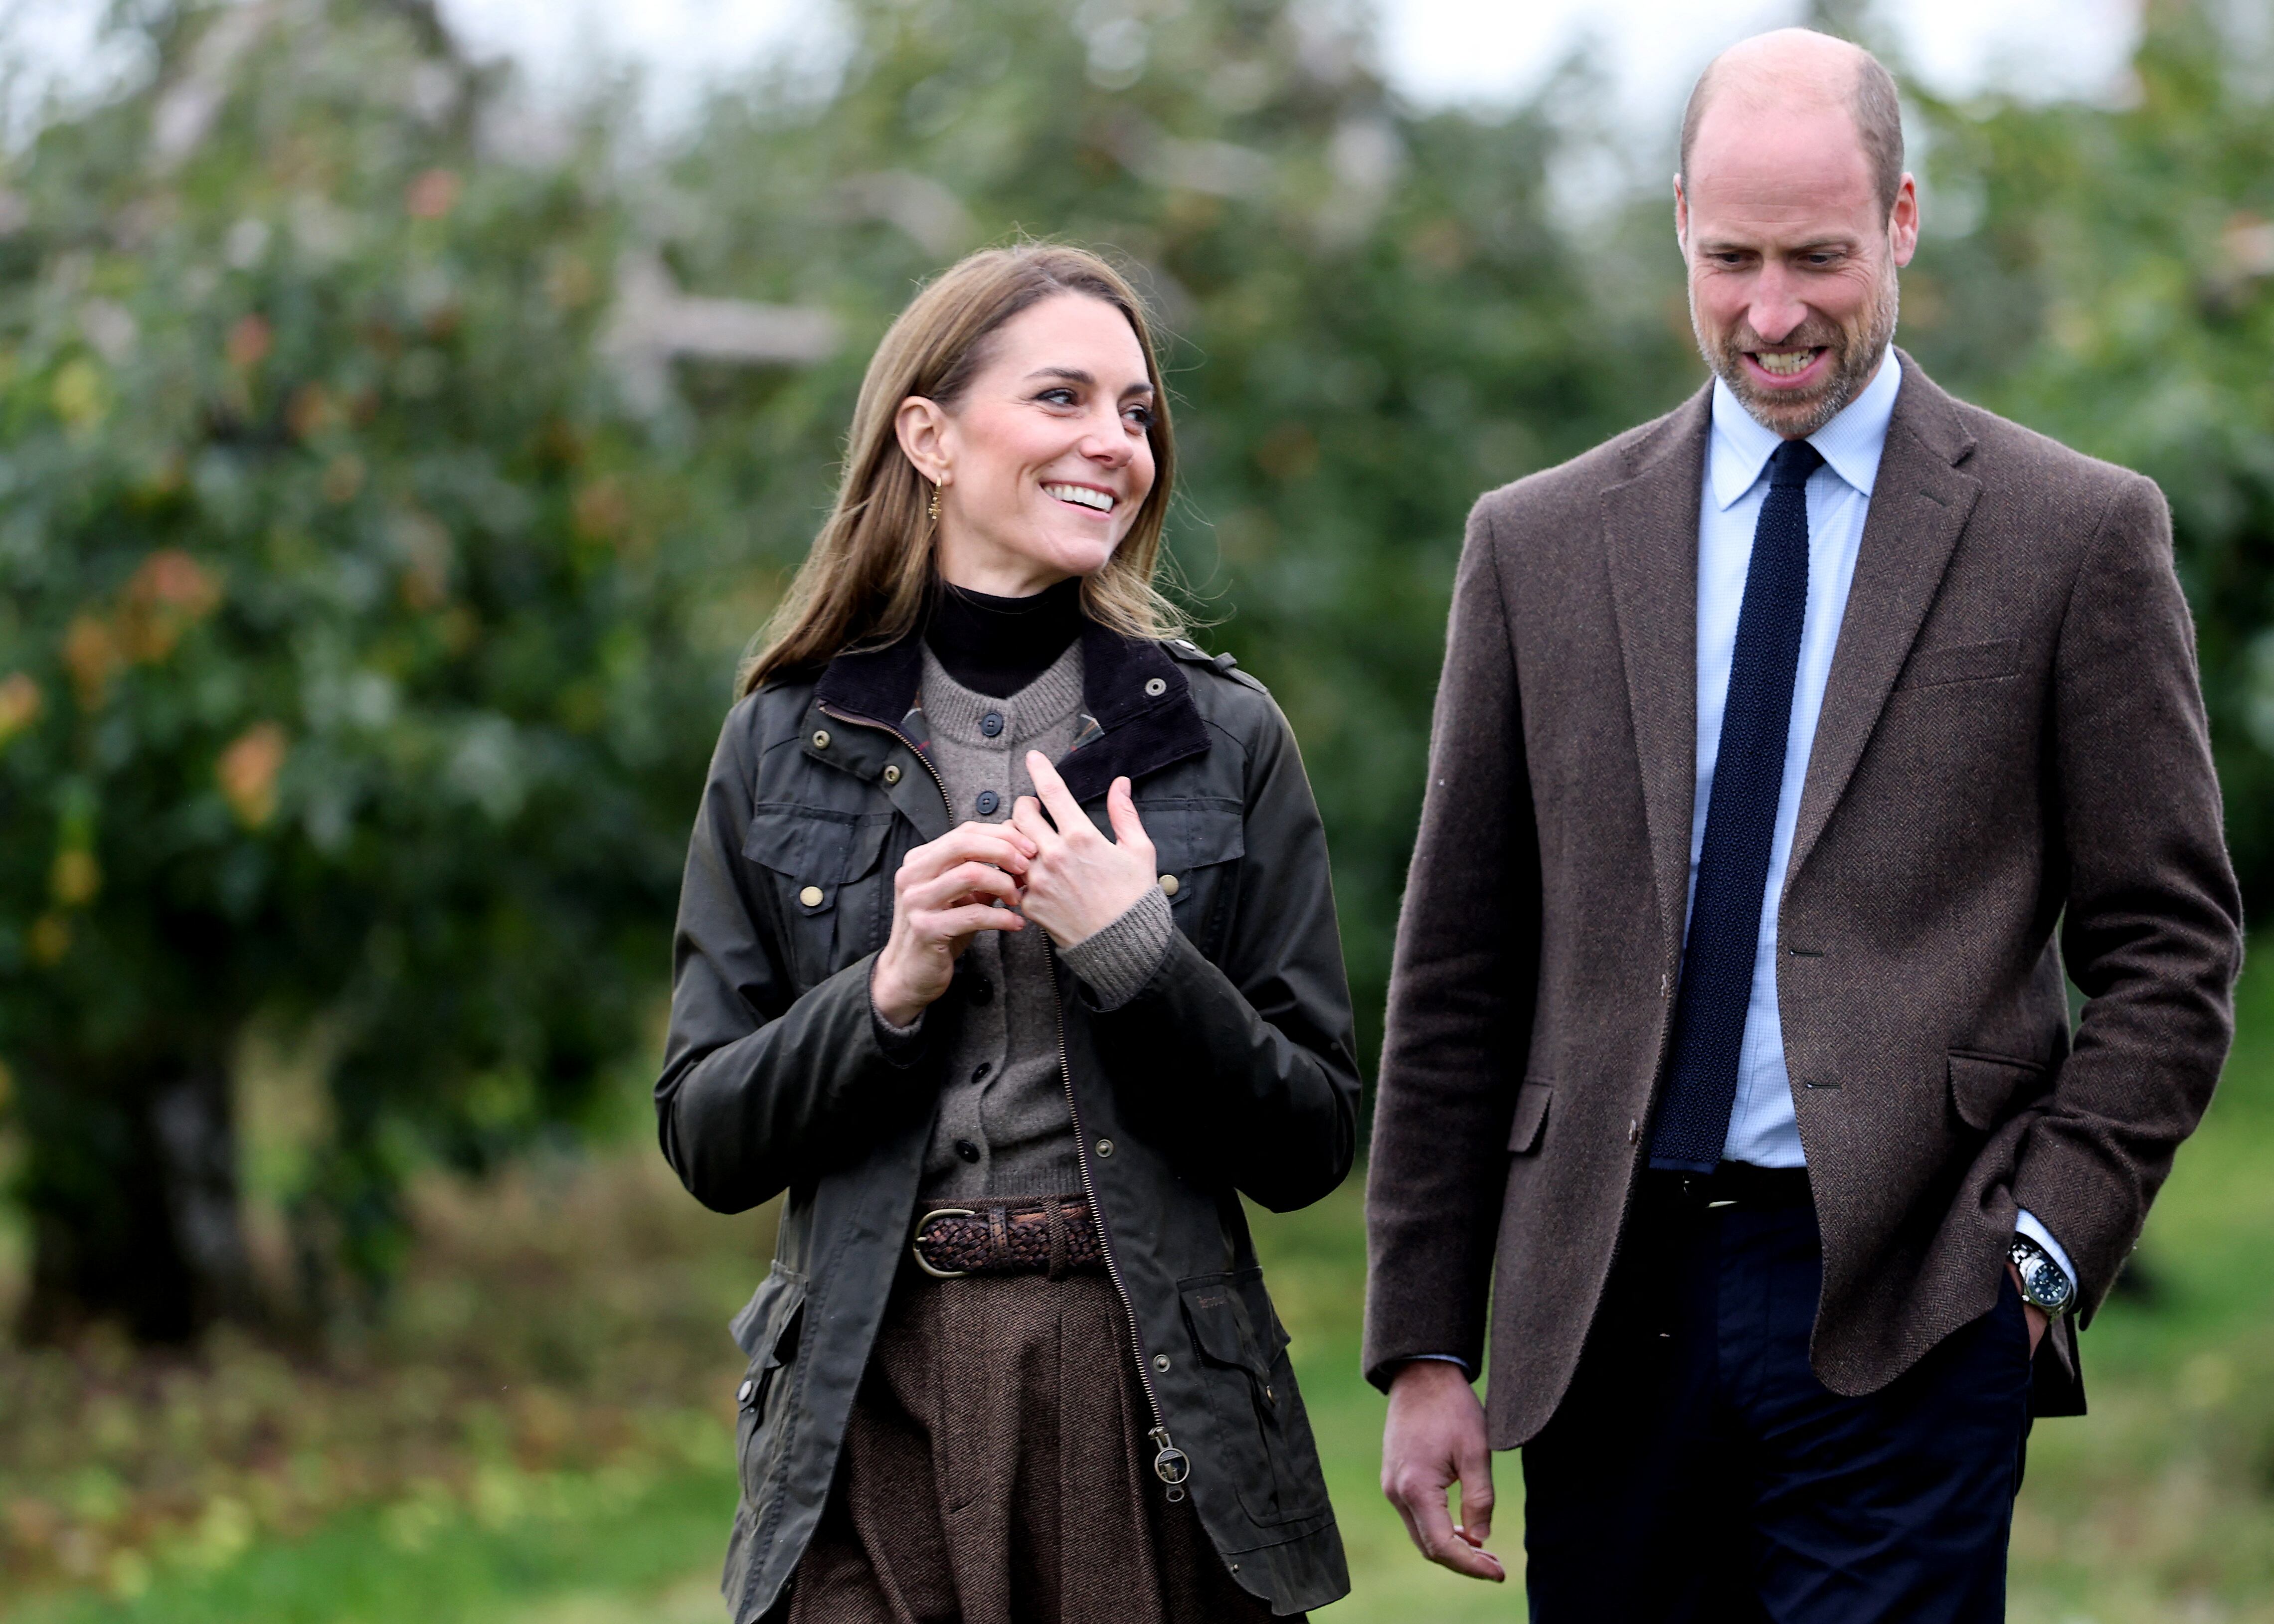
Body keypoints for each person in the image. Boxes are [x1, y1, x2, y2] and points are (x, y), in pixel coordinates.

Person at [1365, 27, 2243, 1624]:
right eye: (1731, 259)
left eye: (1819, 258)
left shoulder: (2073, 533)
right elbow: (1457, 971)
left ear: (1901, 219)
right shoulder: (1536, 546)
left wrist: (2037, 1255)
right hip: (1597, 1300)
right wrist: (1425, 1337)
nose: (1772, 313)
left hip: (1911, 1296)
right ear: (1678, 224)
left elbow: (2170, 947)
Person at [656, 243, 1357, 1624]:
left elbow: (1311, 1137)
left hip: (1144, 1394)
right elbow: (705, 1133)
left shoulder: (1225, 740)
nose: (1115, 444)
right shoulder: (778, 743)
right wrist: (886, 989)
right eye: (1062, 399)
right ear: (928, 434)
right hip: (873, 1393)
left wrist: (1138, 958)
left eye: (1136, 411)